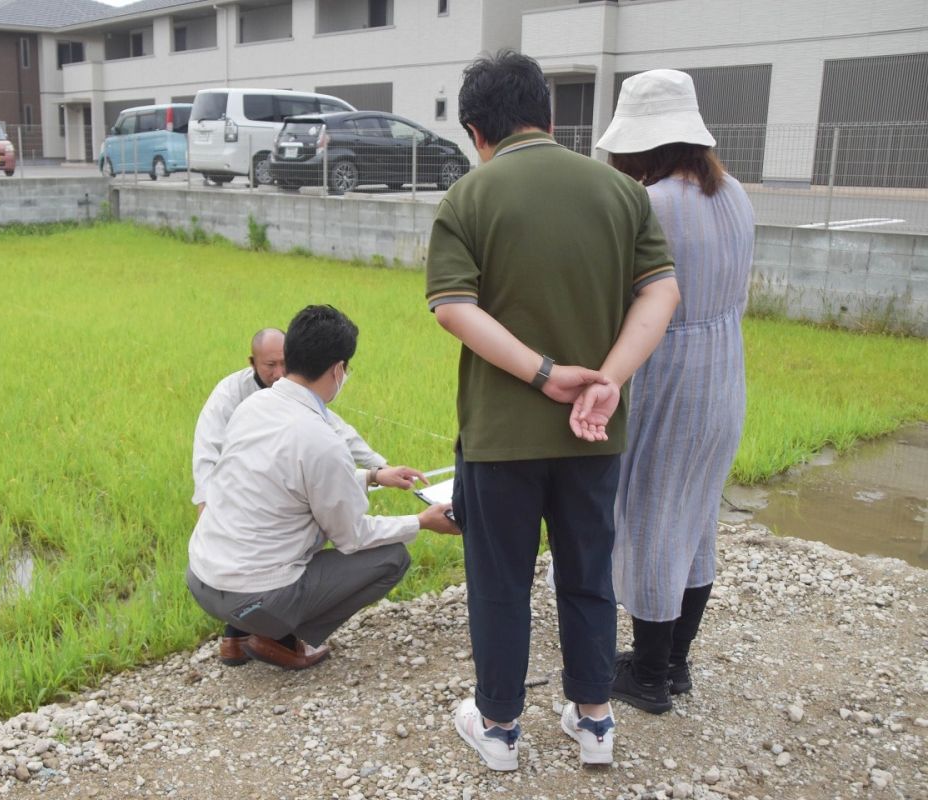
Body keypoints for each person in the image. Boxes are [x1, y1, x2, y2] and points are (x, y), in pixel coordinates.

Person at [426, 50, 680, 771]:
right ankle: (595, 720)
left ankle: (501, 730)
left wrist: (542, 374)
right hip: (595, 433)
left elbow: (452, 307)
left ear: (477, 130)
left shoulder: (469, 197)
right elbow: (661, 292)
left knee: (502, 582)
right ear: (551, 116)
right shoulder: (622, 192)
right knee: (588, 571)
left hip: (501, 437)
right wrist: (608, 379)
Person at [592, 69, 754, 714]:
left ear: (639, 145)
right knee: (696, 519)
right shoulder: (735, 193)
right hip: (723, 372)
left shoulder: (649, 204)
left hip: (671, 375)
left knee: (655, 520)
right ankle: (675, 662)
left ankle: (650, 678)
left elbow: (624, 298)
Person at [186, 305, 458, 671]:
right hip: (253, 597)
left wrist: (374, 476)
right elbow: (353, 536)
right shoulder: (322, 441)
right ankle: (279, 638)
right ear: (338, 369)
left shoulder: (253, 407)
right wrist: (421, 522)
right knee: (392, 557)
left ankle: (236, 637)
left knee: (264, 532)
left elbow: (289, 483)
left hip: (201, 578)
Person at [191, 327, 388, 516]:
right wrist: (206, 504)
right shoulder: (230, 393)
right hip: (239, 484)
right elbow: (207, 449)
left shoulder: (295, 387)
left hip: (278, 486)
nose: (278, 373)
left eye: (284, 363)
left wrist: (381, 466)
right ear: (252, 363)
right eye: (270, 365)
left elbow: (336, 428)